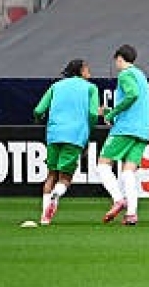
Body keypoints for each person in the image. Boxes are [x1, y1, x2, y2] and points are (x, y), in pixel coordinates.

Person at [33, 59, 100, 226]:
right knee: (65, 178)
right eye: (87, 68)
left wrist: (39, 120)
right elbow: (93, 114)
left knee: (51, 174)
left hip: (54, 134)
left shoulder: (56, 86)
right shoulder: (91, 88)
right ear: (81, 71)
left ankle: (44, 217)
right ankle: (56, 195)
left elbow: (39, 110)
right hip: (75, 135)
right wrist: (88, 128)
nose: (89, 71)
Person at [96, 44, 149, 226]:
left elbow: (132, 95)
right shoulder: (141, 75)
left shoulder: (125, 74)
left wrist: (111, 114)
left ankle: (118, 199)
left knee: (103, 165)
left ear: (119, 58)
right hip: (142, 130)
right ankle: (132, 214)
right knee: (128, 171)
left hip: (125, 129)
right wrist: (111, 111)